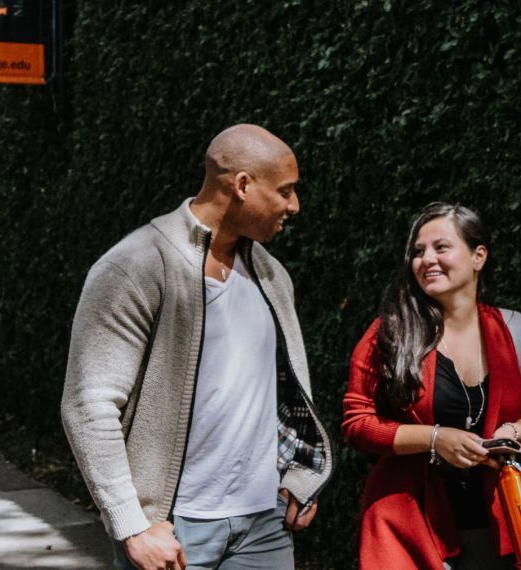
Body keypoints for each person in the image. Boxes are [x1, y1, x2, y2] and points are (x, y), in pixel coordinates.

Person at [61, 124, 334, 570]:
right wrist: (132, 525)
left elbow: (284, 393)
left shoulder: (272, 276)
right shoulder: (136, 266)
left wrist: (299, 476)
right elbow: (88, 404)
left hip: (264, 524)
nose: (294, 206)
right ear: (242, 185)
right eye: (285, 191)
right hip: (174, 528)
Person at [341, 203, 521, 570]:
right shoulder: (389, 334)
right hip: (409, 530)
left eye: (441, 247)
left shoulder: (514, 332)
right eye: (418, 251)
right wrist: (434, 438)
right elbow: (357, 423)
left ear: (478, 256)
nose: (427, 259)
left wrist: (512, 432)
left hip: (497, 523)